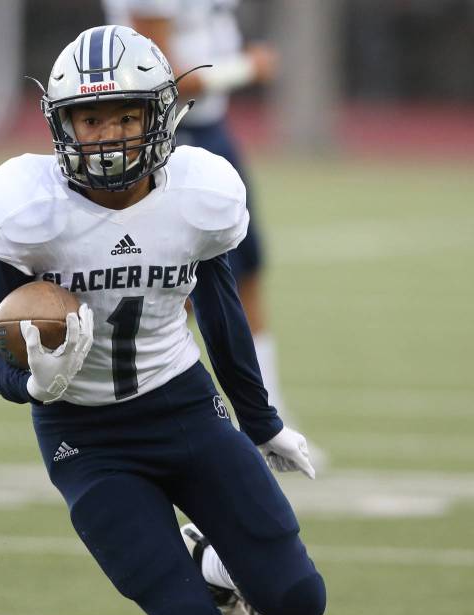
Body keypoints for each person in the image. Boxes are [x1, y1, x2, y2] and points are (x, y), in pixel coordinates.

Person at [0, 26, 328, 615]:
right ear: (61, 125)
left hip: (184, 408)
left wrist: (262, 423)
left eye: (124, 115)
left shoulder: (199, 192)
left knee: (299, 600)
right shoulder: (28, 207)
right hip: (84, 437)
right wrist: (32, 385)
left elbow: (222, 314)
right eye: (90, 118)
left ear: (159, 114)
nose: (107, 135)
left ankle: (214, 561)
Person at [103, 0, 323, 463]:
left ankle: (266, 413)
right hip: (165, 132)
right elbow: (161, 77)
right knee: (174, 286)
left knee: (247, 270)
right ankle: (138, 416)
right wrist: (246, 68)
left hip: (208, 127)